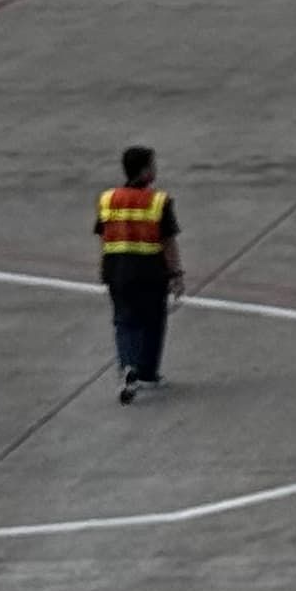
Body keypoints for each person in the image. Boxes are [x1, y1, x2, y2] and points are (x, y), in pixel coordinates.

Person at [97, 146, 183, 402]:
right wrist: (176, 274)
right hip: (151, 272)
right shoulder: (159, 201)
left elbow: (104, 236)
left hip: (118, 271)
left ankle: (127, 367)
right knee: (153, 321)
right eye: (153, 165)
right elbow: (168, 242)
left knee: (125, 322)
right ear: (145, 170)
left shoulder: (108, 199)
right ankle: (147, 373)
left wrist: (105, 267)